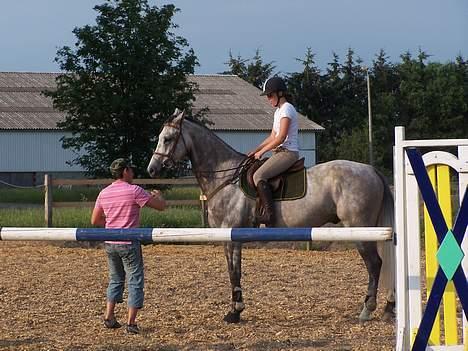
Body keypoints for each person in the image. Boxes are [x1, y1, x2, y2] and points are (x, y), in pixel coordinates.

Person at [91, 158, 166, 334]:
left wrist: (112, 225)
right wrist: (159, 196)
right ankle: (131, 323)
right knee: (135, 280)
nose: (133, 173)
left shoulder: (104, 192)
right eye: (131, 170)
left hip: (110, 242)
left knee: (115, 278)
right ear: (125, 171)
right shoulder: (134, 191)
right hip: (129, 242)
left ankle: (109, 316)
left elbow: (95, 220)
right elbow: (161, 207)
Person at [248, 76, 300, 225]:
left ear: (280, 94)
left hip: (288, 152)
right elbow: (272, 136)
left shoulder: (287, 109)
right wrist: (255, 150)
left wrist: (262, 152)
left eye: (270, 95)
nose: (268, 99)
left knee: (259, 175)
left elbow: (281, 137)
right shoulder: (278, 112)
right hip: (280, 152)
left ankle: (270, 216)